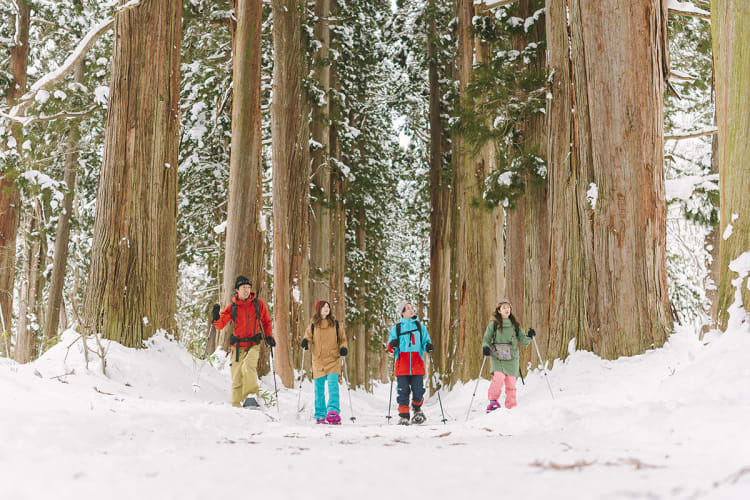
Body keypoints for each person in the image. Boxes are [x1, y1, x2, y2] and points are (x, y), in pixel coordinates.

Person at [212, 275, 274, 408]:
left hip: (253, 345)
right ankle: (237, 406)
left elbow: (266, 321)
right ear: (237, 290)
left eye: (248, 287)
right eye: (243, 287)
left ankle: (251, 397)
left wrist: (269, 336)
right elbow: (220, 325)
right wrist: (215, 317)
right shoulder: (232, 307)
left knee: (248, 366)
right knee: (236, 376)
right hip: (237, 346)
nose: (246, 290)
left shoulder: (258, 304)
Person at [481, 298, 534, 412]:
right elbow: (486, 338)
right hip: (497, 355)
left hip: (512, 357)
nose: (507, 309)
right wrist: (485, 347)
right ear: (499, 310)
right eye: (504, 307)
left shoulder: (515, 325)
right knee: (498, 378)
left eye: (508, 307)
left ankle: (511, 406)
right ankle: (493, 402)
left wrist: (530, 336)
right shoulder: (494, 324)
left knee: (511, 383)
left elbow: (524, 340)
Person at [301, 300, 348, 424]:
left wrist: (343, 348)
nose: (326, 309)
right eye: (324, 307)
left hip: (333, 359)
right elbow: (308, 337)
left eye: (328, 307)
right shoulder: (313, 325)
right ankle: (320, 415)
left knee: (333, 386)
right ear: (319, 310)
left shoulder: (336, 324)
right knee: (319, 388)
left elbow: (342, 339)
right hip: (318, 360)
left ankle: (333, 412)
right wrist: (306, 342)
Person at [387, 301, 433, 425]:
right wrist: (392, 345)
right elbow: (390, 347)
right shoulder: (396, 329)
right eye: (407, 308)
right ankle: (404, 416)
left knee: (418, 390)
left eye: (411, 308)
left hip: (417, 365)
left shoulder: (419, 327)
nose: (411, 310)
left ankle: (417, 409)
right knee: (403, 392)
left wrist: (428, 346)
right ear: (402, 313)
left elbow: (425, 341)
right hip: (402, 366)